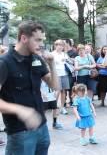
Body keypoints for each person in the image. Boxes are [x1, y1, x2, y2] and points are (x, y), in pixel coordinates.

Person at [0, 21, 59, 155]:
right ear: (24, 38)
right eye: (38, 40)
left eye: (42, 40)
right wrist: (20, 110)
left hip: (42, 127)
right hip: (19, 132)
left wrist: (52, 64)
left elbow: (54, 86)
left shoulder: (36, 58)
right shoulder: (4, 62)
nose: (41, 44)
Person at [52, 39, 70, 115]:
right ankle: (54, 106)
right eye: (58, 45)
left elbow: (70, 62)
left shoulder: (64, 54)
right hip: (56, 75)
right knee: (57, 91)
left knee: (63, 91)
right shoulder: (52, 54)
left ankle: (62, 107)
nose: (60, 47)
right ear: (55, 46)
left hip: (64, 74)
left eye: (61, 45)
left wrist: (67, 60)